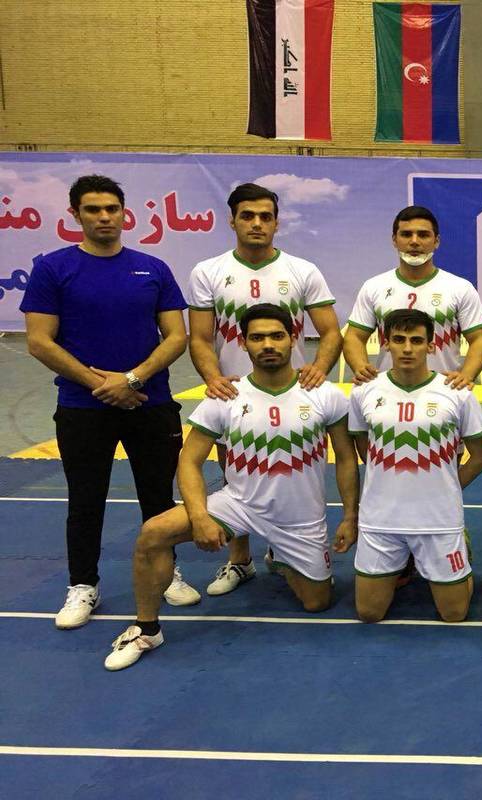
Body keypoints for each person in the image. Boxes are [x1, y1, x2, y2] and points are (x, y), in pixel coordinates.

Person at [103, 304, 360, 671]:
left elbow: (347, 459)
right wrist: (199, 517)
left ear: (293, 339)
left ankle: (280, 557)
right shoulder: (226, 396)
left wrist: (350, 516)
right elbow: (189, 461)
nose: (268, 344)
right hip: (238, 505)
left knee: (317, 602)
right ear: (243, 343)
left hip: (299, 518)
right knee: (153, 533)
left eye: (276, 336)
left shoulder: (324, 394)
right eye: (258, 337)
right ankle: (146, 628)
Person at [21, 174, 198, 629]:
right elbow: (39, 341)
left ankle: (166, 572)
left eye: (112, 209)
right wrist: (102, 385)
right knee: (85, 500)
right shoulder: (53, 269)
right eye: (93, 209)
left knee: (159, 497)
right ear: (75, 214)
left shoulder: (152, 268)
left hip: (150, 404)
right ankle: (83, 584)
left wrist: (133, 379)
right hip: (83, 409)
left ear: (124, 213)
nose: (104, 217)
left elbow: (176, 336)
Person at [187, 182, 342, 597]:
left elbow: (330, 331)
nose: (256, 224)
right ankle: (240, 560)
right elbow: (199, 338)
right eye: (248, 216)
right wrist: (213, 380)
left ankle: (285, 550)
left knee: (295, 473)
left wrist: (319, 368)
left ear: (276, 222)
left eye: (265, 217)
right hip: (235, 399)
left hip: (291, 393)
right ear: (232, 220)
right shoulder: (208, 271)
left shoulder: (302, 270)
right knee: (233, 477)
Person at [349, 309, 482, 623]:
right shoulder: (364, 391)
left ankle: (460, 552)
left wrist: (448, 488)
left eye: (416, 340)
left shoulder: (457, 392)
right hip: (380, 520)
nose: (407, 348)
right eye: (399, 340)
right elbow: (363, 448)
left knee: (454, 614)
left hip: (438, 519)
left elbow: (481, 455)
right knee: (369, 613)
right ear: (386, 343)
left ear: (431, 345)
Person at [345, 205, 482, 389]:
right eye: (406, 234)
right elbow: (354, 337)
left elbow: (480, 339)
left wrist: (466, 375)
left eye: (423, 235)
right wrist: (360, 367)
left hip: (444, 392)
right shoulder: (373, 287)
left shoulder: (461, 288)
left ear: (436, 241)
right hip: (387, 392)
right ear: (394, 240)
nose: (414, 241)